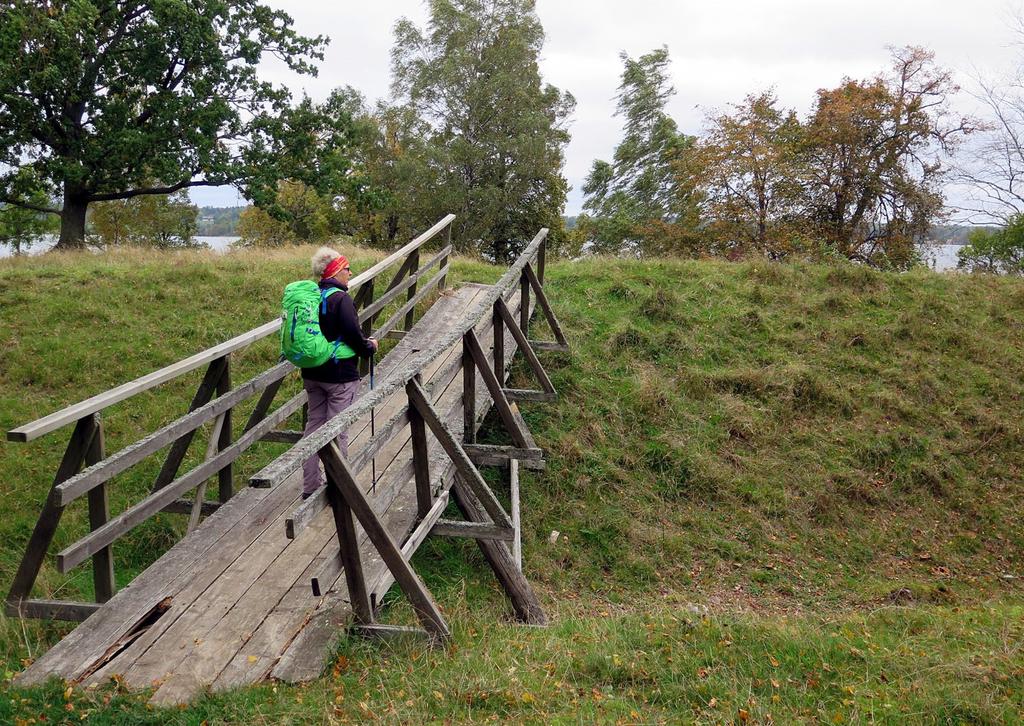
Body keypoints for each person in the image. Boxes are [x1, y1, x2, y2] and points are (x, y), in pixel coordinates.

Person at [301, 247, 378, 499]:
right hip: (340, 377)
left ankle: (310, 485)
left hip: (313, 373)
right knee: (338, 430)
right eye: (347, 268)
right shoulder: (341, 299)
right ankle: (338, 489)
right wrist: (369, 346)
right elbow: (353, 335)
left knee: (314, 426)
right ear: (336, 271)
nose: (350, 272)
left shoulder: (312, 296)